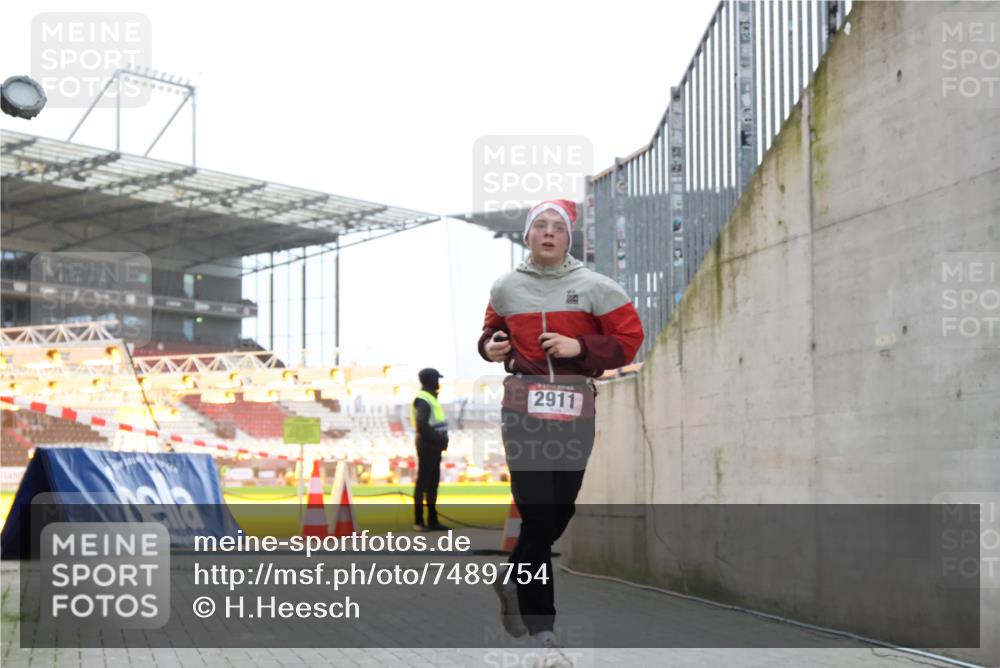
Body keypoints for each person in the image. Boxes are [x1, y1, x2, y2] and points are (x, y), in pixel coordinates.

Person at [478, 199, 643, 666]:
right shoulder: (506, 287)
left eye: (558, 228)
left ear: (569, 239)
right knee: (535, 514)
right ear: (527, 237)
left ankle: (513, 576)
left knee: (558, 511)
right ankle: (543, 633)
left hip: (575, 411)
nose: (549, 233)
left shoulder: (598, 287)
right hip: (522, 409)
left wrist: (581, 346)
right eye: (540, 227)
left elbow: (630, 341)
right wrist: (490, 346)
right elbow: (490, 332)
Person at [411, 367, 449, 531]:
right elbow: (422, 425)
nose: (438, 382)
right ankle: (419, 521)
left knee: (432, 483)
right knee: (424, 483)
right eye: (436, 379)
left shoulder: (430, 398)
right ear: (431, 380)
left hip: (433, 446)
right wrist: (439, 438)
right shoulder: (424, 399)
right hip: (427, 445)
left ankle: (432, 520)